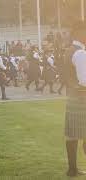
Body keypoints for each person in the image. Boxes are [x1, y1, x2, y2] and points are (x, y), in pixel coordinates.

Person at [64, 22, 86, 177]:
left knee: (73, 135)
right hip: (82, 98)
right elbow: (84, 81)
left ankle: (72, 169)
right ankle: (72, 170)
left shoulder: (69, 50)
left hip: (73, 98)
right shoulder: (80, 53)